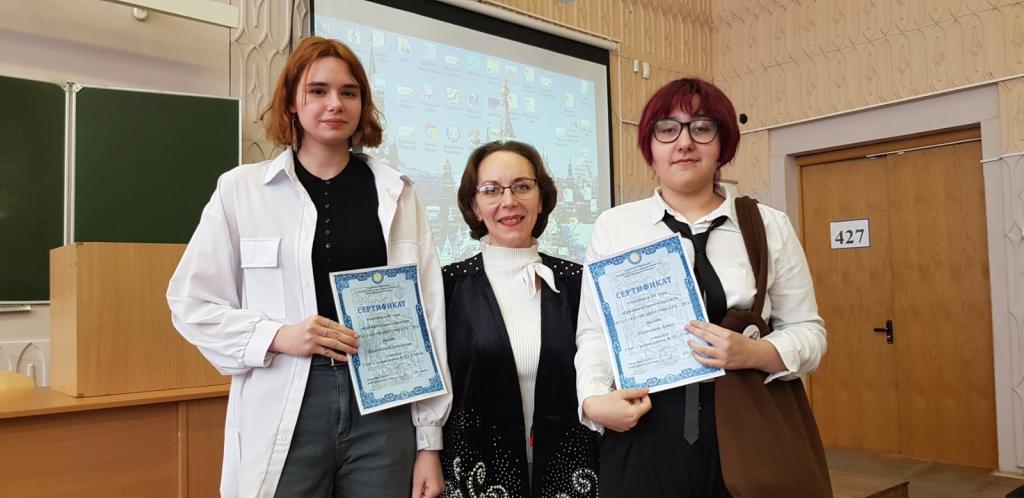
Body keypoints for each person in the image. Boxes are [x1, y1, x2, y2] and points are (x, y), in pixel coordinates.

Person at [167, 36, 450, 498]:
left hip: (384, 402)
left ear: (363, 105)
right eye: (318, 90)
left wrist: (429, 441)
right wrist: (277, 336)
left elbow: (429, 316)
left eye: (348, 92)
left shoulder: (397, 193)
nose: (335, 103)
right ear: (291, 102)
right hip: (289, 396)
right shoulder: (241, 191)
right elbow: (191, 303)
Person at [574, 77, 827, 497]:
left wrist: (754, 353)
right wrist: (592, 399)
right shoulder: (615, 227)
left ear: (723, 144)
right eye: (667, 129)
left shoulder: (769, 226)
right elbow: (595, 333)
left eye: (702, 128)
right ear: (649, 145)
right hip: (644, 426)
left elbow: (810, 332)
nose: (684, 142)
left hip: (748, 429)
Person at [440, 141, 599, 497]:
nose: (509, 200)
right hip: (474, 473)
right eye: (491, 190)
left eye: (522, 186)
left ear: (541, 200)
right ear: (474, 206)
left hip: (570, 471)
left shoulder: (580, 282)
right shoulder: (448, 286)